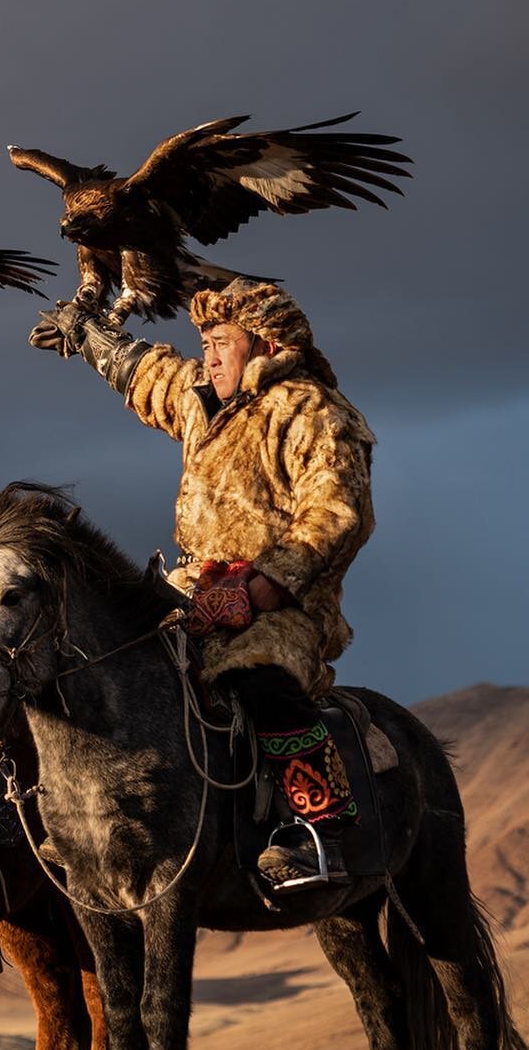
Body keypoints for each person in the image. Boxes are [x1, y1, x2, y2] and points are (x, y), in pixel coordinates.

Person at [30, 278, 375, 890]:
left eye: (220, 342)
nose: (208, 355)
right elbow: (148, 375)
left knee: (258, 679)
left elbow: (337, 515)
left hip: (282, 606)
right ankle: (87, 819)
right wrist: (88, 337)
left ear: (265, 344)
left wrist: (263, 587)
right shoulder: (201, 402)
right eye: (204, 343)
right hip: (190, 593)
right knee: (109, 663)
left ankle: (316, 829)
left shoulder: (313, 410)